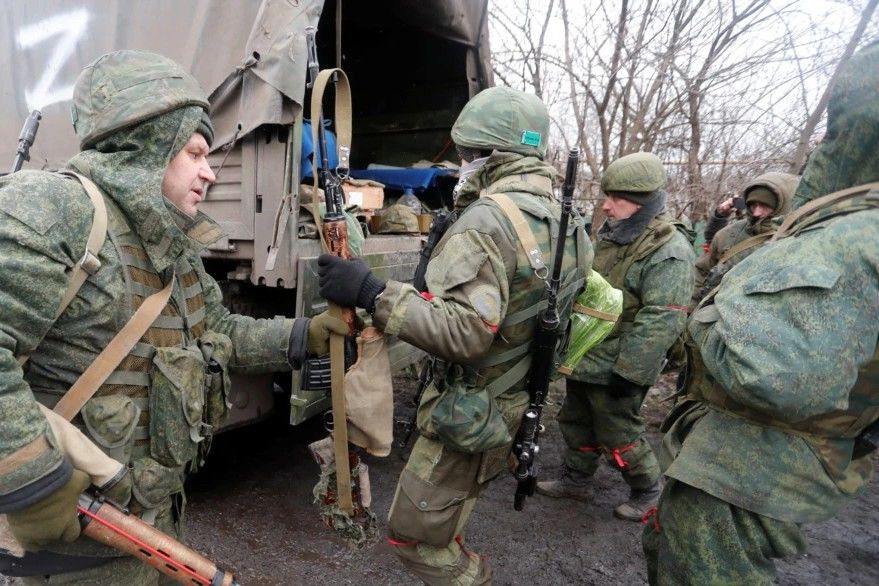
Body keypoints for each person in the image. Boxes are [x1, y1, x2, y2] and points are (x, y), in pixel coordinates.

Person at [0, 50, 345, 584]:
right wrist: (32, 482)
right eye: (194, 151)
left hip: (153, 529)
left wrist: (305, 334)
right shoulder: (57, 209)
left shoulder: (169, 244)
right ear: (147, 148)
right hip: (74, 549)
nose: (209, 172)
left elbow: (220, 331)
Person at [317, 86, 592, 585]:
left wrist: (372, 290)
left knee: (415, 537)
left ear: (487, 155)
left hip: (473, 406)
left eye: (466, 153)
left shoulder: (489, 220)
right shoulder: (567, 220)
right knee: (446, 518)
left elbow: (465, 333)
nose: (460, 164)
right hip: (513, 398)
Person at [643, 40, 879, 585]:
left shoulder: (845, 240)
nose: (754, 212)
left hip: (755, 467)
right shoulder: (786, 234)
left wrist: (713, 312)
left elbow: (778, 372)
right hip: (733, 450)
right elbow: (712, 270)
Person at [536, 152, 695, 522]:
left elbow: (662, 318)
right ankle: (576, 480)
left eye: (615, 199)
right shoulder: (615, 236)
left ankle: (647, 490)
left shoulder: (668, 251)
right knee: (575, 419)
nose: (605, 206)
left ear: (642, 203)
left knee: (618, 430)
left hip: (620, 362)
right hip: (588, 352)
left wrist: (630, 373)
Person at [692, 171, 799, 302]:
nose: (757, 212)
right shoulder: (728, 234)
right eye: (753, 204)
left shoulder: (798, 239)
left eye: (765, 205)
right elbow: (702, 272)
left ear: (783, 206)